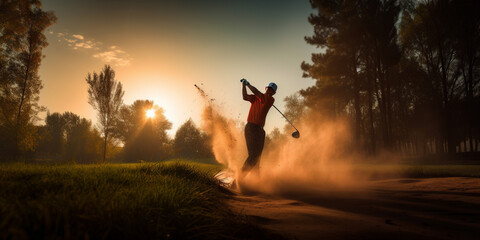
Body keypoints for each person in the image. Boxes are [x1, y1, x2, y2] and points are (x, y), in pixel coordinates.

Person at [241, 79, 277, 174]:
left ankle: (256, 183)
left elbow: (257, 93)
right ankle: (238, 180)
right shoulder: (256, 98)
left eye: (272, 90)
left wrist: (248, 84)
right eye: (269, 88)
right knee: (253, 156)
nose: (269, 90)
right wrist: (243, 86)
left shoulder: (270, 99)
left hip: (260, 131)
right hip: (251, 128)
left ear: (274, 93)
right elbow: (244, 97)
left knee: (258, 158)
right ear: (266, 89)